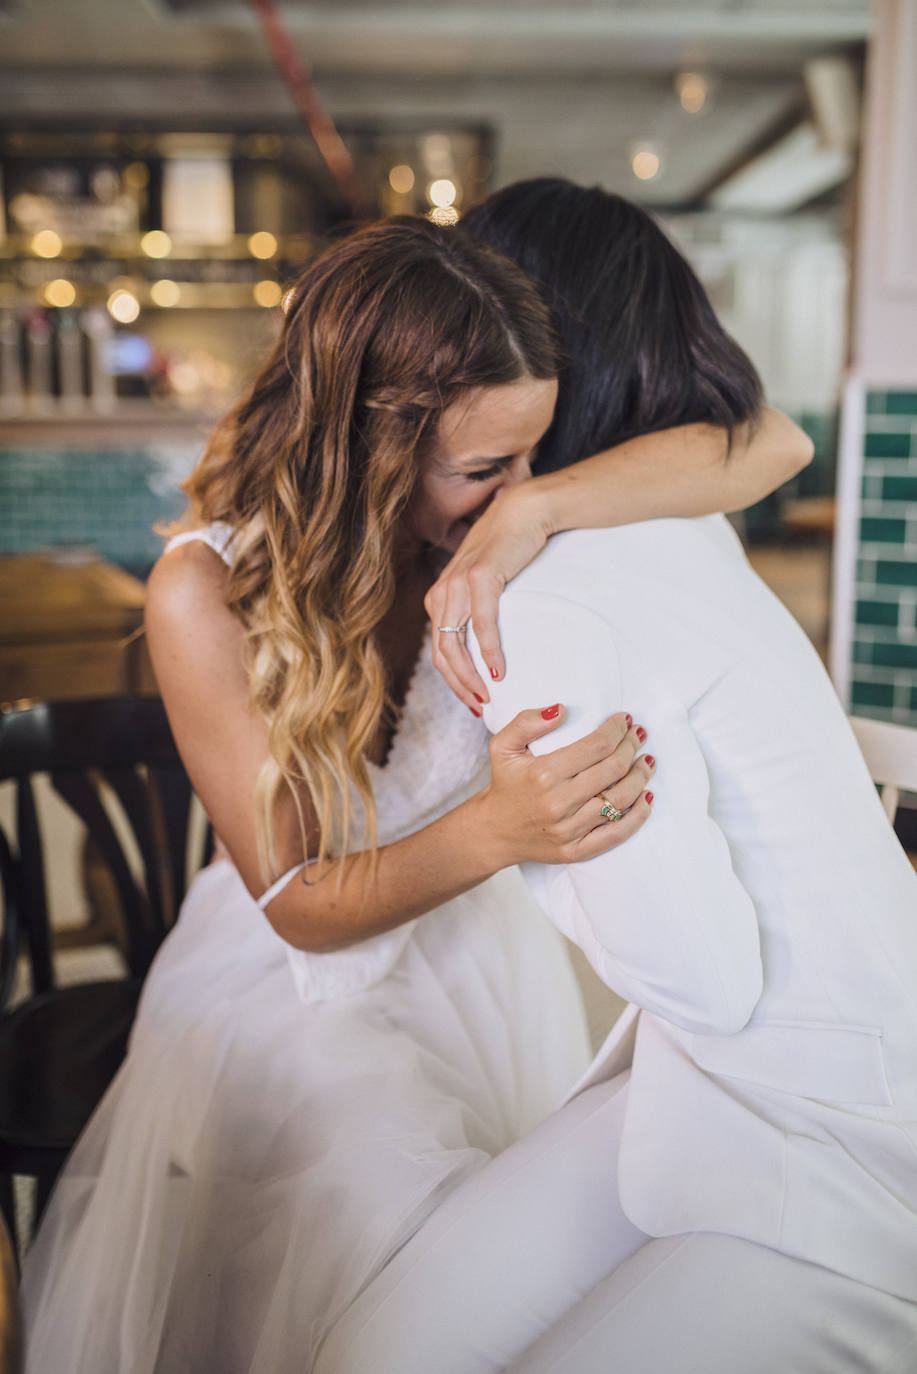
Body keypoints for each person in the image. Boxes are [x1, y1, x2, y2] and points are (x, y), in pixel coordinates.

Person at [21, 214, 808, 1374]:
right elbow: (293, 902)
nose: (516, 492)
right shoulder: (205, 593)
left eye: (530, 456)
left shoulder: (486, 527)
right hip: (297, 982)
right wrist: (496, 827)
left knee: (578, 1202)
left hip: (478, 962)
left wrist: (534, 508)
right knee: (391, 1202)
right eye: (488, 468)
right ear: (368, 446)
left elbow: (771, 442)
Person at [313, 183, 917, 1374]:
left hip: (826, 1134)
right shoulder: (683, 524)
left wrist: (536, 840)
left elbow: (700, 980)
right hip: (750, 1072)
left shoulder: (544, 593)